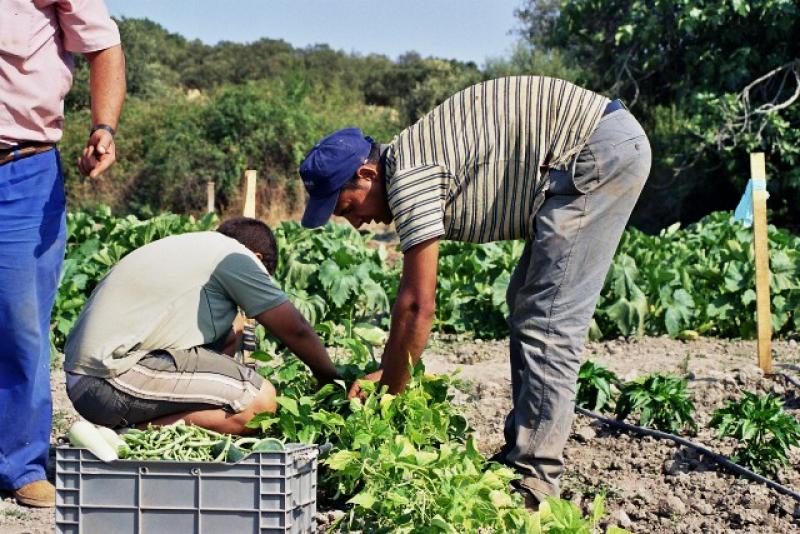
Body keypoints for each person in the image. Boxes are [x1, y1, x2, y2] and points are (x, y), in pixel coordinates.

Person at [298, 76, 651, 507]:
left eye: (348, 207)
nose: (355, 223)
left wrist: (389, 392)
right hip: (589, 147)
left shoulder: (408, 176)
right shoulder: (409, 160)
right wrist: (388, 374)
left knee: (549, 319)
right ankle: (522, 454)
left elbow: (417, 305)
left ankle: (534, 478)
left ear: (367, 174)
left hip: (595, 150)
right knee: (527, 303)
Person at [0, 0, 126, 508]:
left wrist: (104, 127)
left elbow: (103, 46)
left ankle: (20, 461)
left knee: (19, 319)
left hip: (22, 169)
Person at [64, 218, 339, 437]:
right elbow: (297, 329)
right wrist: (331, 380)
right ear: (256, 258)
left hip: (89, 378)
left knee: (231, 336)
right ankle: (130, 436)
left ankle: (139, 428)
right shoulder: (235, 257)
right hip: (109, 378)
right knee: (259, 404)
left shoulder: (195, 250)